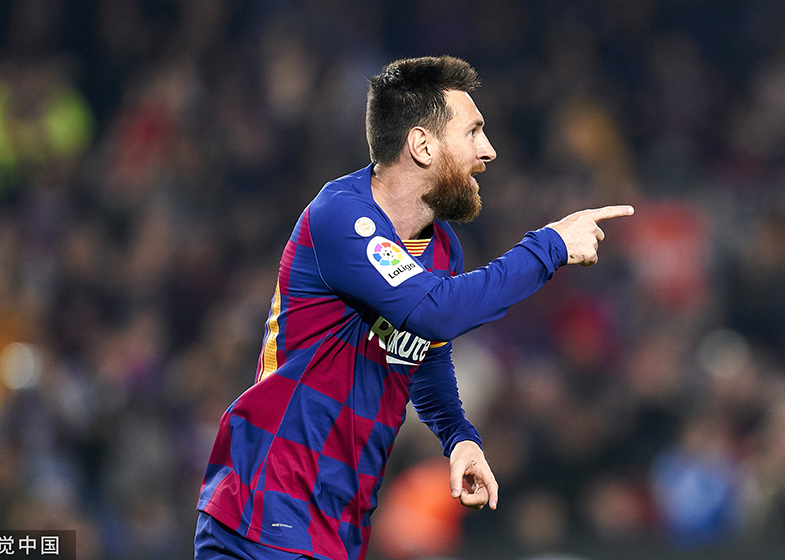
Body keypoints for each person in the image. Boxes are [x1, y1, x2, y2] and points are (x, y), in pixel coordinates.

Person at [194, 55, 633, 560]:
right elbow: (434, 312)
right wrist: (548, 247)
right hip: (268, 501)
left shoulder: (440, 248)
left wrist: (458, 437)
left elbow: (423, 351)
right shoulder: (341, 216)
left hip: (337, 518)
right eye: (473, 132)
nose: (488, 150)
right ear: (422, 145)